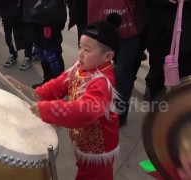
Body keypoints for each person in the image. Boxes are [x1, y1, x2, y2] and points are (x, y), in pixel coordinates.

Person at [30, 15, 121, 180]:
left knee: (94, 176)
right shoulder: (81, 65)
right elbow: (63, 81)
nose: (80, 54)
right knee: (84, 167)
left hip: (99, 146)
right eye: (80, 46)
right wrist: (43, 91)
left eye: (87, 50)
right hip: (83, 138)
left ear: (107, 56)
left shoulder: (102, 82)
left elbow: (85, 111)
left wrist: (49, 109)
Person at [146, 0, 191, 100]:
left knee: (184, 86)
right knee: (156, 80)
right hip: (161, 33)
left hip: (190, 40)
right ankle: (157, 112)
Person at [23, 0, 67, 88]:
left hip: (50, 16)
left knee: (51, 52)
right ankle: (47, 81)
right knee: (40, 51)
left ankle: (58, 86)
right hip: (33, 15)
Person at [0, 0, 33, 70]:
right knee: (8, 34)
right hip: (6, 9)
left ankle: (28, 56)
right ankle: (12, 54)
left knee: (26, 33)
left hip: (22, 9)